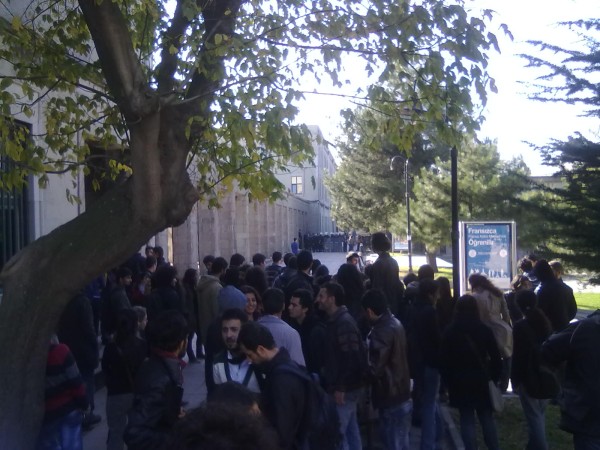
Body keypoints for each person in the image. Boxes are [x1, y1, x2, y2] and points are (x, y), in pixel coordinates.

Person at [440, 295, 502, 450]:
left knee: (466, 419)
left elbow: (445, 360)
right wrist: (494, 378)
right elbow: (496, 356)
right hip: (481, 379)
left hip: (459, 381)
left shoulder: (450, 331)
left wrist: (447, 383)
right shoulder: (484, 329)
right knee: (486, 417)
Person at [238, 322, 308, 450]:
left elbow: (283, 432)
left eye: (249, 354)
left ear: (261, 350)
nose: (248, 360)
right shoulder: (286, 367)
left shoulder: (281, 379)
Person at [124, 311, 188, 450]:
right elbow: (135, 433)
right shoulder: (160, 378)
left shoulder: (159, 366)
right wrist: (174, 437)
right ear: (181, 342)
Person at [315, 282, 366, 450]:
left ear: (332, 299)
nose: (318, 300)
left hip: (345, 388)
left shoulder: (343, 323)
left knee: (338, 434)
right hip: (346, 386)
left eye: (322, 296)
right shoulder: (337, 321)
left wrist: (341, 387)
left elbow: (351, 356)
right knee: (351, 431)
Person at [541, 310, 600, 450]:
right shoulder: (586, 328)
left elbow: (548, 351)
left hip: (588, 412)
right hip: (589, 413)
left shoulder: (585, 328)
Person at [362, 289, 412, 450]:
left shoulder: (381, 331)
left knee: (393, 441)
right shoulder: (395, 323)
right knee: (401, 441)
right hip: (402, 391)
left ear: (369, 311)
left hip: (390, 394)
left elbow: (374, 368)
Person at [511, 290, 554, 450]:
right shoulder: (545, 323)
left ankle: (541, 446)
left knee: (534, 417)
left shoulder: (520, 326)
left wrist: (515, 380)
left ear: (519, 306)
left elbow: (518, 356)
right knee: (539, 414)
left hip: (528, 376)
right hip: (545, 373)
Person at [101, 309, 148, 450]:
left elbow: (105, 369)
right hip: (137, 392)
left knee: (116, 433)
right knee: (138, 431)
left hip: (116, 394)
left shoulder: (110, 347)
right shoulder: (141, 345)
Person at [406, 279, 443, 450]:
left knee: (430, 400)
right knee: (429, 403)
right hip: (430, 362)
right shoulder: (430, 312)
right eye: (437, 293)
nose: (439, 296)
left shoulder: (413, 309)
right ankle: (428, 444)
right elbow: (436, 339)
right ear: (430, 294)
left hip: (417, 362)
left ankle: (438, 434)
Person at [56, 292, 101, 430]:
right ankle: (87, 413)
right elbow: (89, 328)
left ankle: (82, 412)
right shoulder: (82, 302)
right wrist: (94, 346)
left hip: (68, 347)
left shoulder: (62, 301)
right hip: (83, 349)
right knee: (87, 381)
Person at [36, 336, 89, 450]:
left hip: (49, 416)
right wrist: (84, 404)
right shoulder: (61, 351)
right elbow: (76, 381)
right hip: (68, 410)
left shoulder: (35, 358)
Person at [468, 273, 513, 392]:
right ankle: (504, 385)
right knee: (507, 357)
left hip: (484, 330)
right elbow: (506, 314)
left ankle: (492, 383)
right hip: (503, 329)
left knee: (489, 358)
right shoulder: (498, 294)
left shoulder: (474, 297)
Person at [213, 308, 260, 393]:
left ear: (244, 330)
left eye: (234, 329)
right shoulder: (218, 362)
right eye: (225, 330)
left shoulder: (258, 360)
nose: (228, 335)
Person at [257, 288, 305, 366]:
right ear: (283, 306)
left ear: (262, 305)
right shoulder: (291, 333)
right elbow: (298, 366)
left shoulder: (252, 329)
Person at [288, 288, 327, 374]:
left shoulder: (316, 330)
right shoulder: (292, 325)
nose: (289, 307)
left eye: (294, 305)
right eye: (290, 304)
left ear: (305, 309)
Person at [534, 259, 577, 332]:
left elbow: (539, 311)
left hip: (547, 329)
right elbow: (573, 310)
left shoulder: (542, 290)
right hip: (563, 326)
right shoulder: (567, 288)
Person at [369, 232, 404, 316]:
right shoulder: (393, 261)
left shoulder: (378, 264)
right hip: (394, 300)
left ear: (375, 245)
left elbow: (377, 287)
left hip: (383, 305)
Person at [182, 268, 200, 362]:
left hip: (193, 315)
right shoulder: (186, 288)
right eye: (196, 276)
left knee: (193, 335)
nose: (197, 277)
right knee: (189, 337)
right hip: (189, 315)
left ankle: (196, 353)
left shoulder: (192, 287)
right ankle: (190, 355)